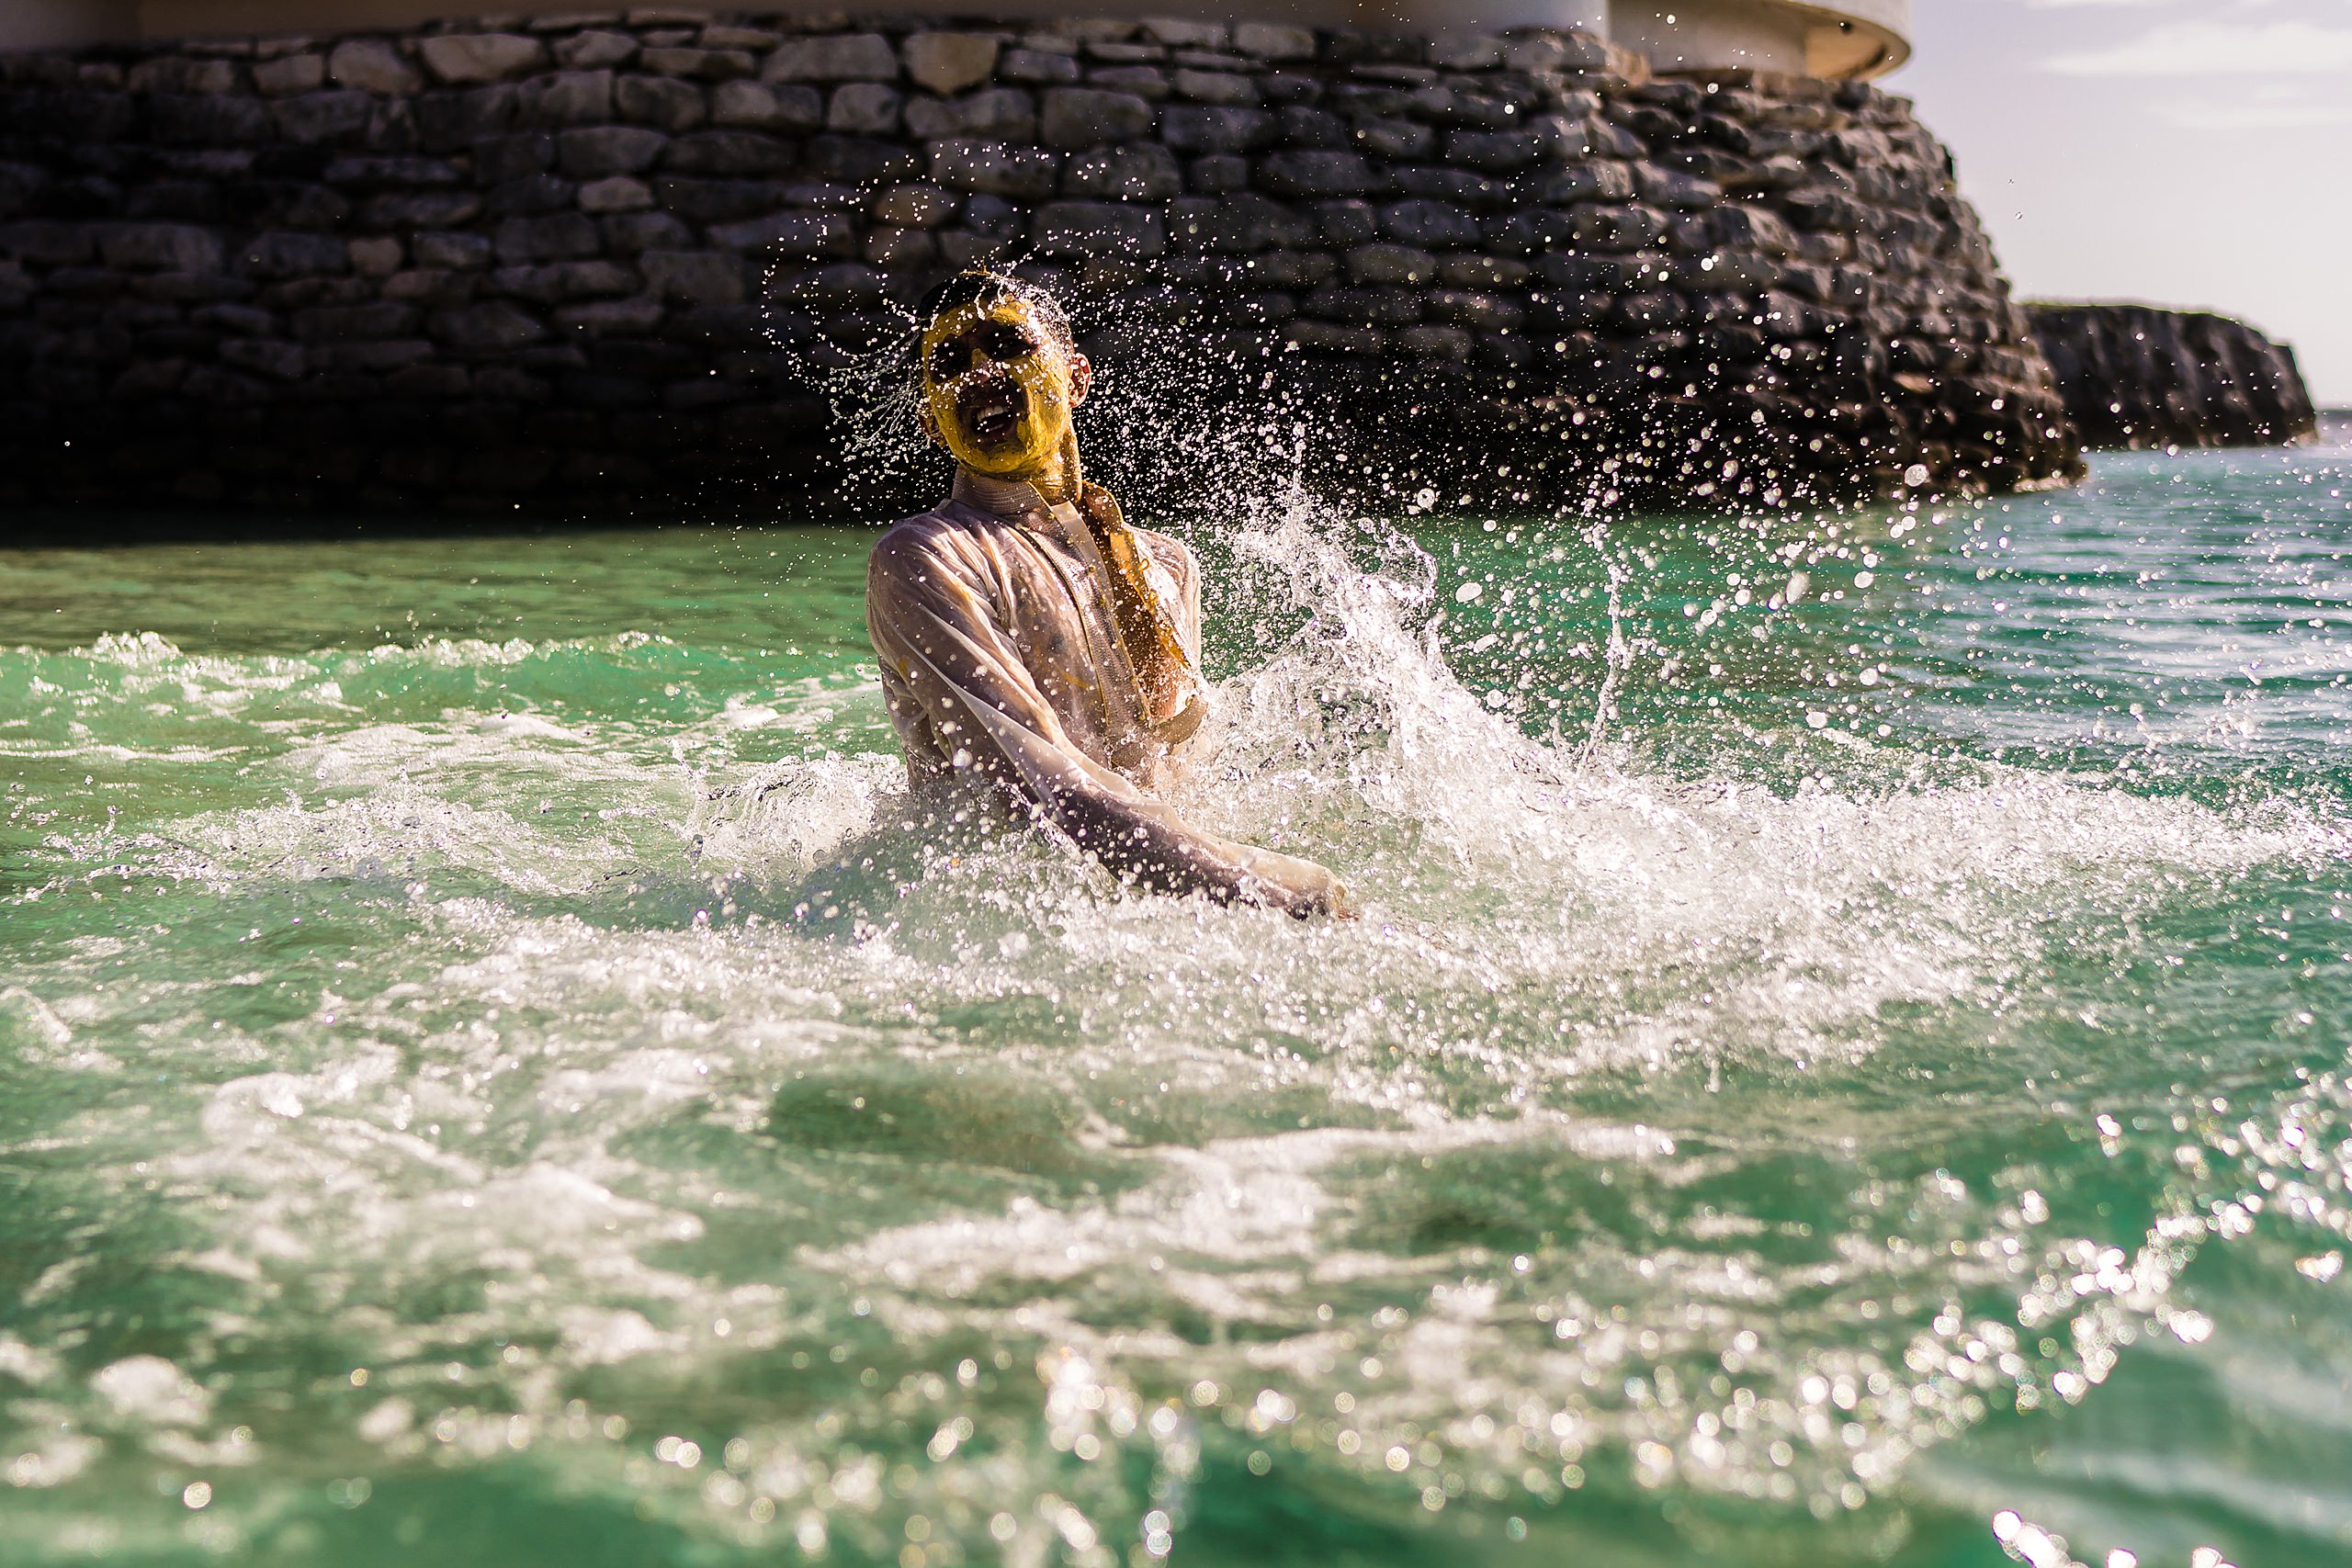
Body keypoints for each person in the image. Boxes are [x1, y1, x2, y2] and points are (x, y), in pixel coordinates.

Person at [865, 270, 1351, 918]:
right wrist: (1279, 891)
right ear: (931, 422)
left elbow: (1180, 772)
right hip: (997, 922)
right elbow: (1042, 787)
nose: (979, 372)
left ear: (1077, 377)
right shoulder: (926, 559)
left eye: (1008, 344)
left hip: (1158, 900)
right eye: (952, 362)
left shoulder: (1166, 565)